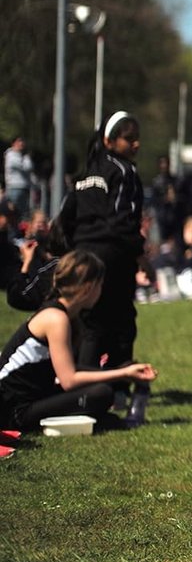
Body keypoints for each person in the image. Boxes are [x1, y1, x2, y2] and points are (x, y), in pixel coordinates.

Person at [56, 111, 152, 425]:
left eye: (137, 136)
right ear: (109, 140)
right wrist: (141, 255)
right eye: (129, 137)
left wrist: (74, 250)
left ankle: (82, 396)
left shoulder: (86, 175)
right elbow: (123, 221)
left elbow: (65, 219)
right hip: (112, 256)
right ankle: (117, 390)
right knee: (122, 321)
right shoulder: (123, 171)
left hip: (84, 255)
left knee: (90, 325)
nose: (136, 143)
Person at [0, 249, 158, 433]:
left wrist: (124, 370)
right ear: (88, 287)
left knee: (102, 392)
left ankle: (98, 421)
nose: (101, 290)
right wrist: (122, 373)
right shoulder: (56, 319)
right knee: (101, 394)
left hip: (33, 398)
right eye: (100, 285)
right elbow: (69, 380)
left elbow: (71, 368)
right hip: (12, 409)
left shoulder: (68, 316)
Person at [5, 136, 36, 213]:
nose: (21, 143)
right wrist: (26, 159)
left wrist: (26, 158)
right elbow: (26, 167)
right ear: (13, 143)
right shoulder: (10, 155)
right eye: (19, 141)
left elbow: (30, 167)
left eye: (22, 141)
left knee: (23, 213)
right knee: (13, 212)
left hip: (25, 188)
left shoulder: (23, 156)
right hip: (14, 188)